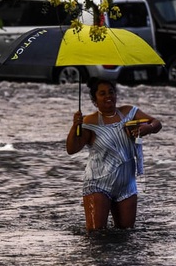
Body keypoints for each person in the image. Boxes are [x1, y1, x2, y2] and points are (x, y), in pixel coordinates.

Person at [66, 78, 162, 232]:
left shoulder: (129, 112)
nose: (108, 96)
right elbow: (71, 149)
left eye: (111, 92)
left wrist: (148, 128)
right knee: (96, 236)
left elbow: (157, 123)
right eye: (102, 93)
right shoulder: (89, 122)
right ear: (94, 100)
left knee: (126, 234)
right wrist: (75, 126)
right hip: (97, 184)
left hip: (127, 184)